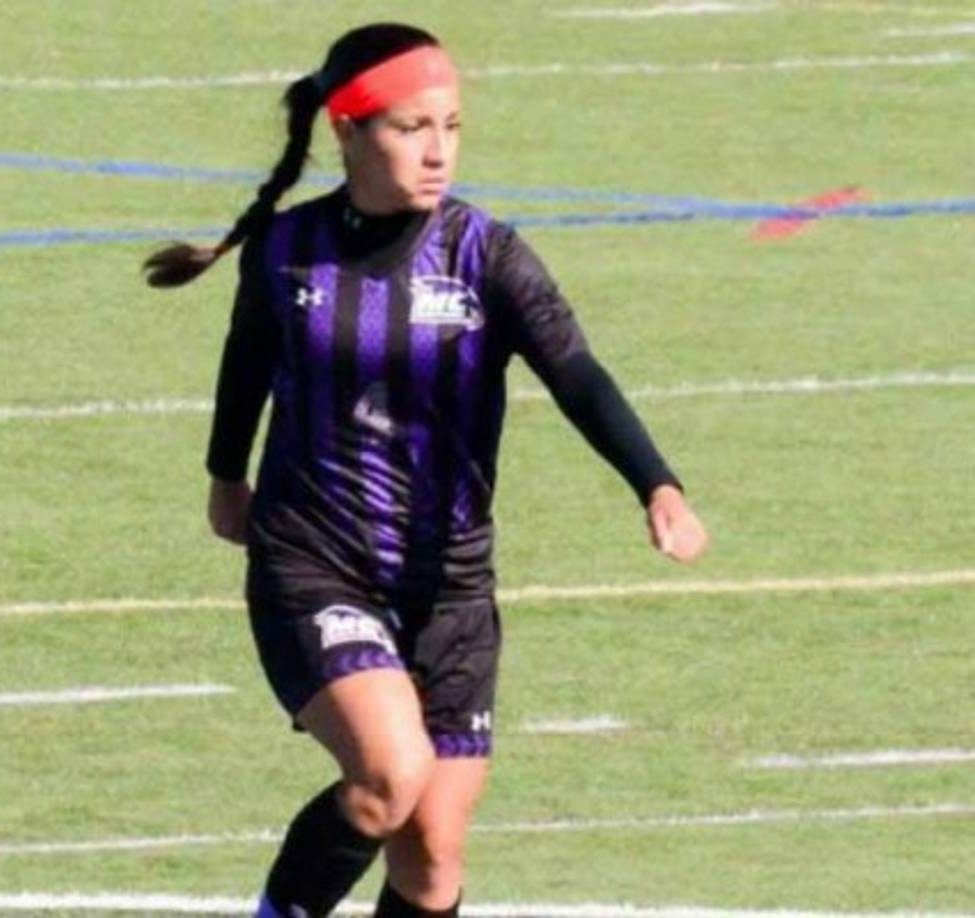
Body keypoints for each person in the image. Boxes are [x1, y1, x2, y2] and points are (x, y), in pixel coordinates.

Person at [144, 22, 708, 918]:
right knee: (386, 775)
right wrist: (225, 480)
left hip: (449, 584)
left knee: (432, 857)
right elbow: (246, 362)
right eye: (411, 128)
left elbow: (579, 377)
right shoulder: (287, 250)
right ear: (348, 130)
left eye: (451, 126)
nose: (438, 150)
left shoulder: (488, 256)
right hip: (314, 561)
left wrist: (657, 485)